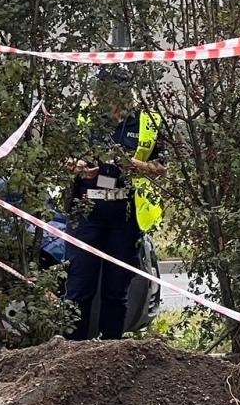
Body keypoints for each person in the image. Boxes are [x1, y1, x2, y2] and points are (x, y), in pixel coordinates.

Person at [63, 72, 166, 342]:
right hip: (86, 212)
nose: (111, 100)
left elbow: (162, 167)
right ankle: (76, 351)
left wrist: (132, 165)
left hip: (124, 213)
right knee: (78, 286)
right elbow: (64, 156)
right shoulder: (84, 116)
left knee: (116, 290)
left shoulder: (147, 121)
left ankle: (111, 349)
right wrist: (79, 166)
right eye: (105, 92)